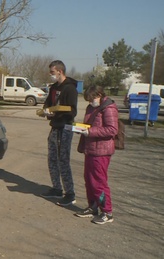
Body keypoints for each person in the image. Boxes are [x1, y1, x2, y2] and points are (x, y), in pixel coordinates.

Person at [75, 85, 118, 224]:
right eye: (88, 100)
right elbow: (90, 124)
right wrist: (80, 128)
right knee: (89, 179)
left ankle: (107, 212)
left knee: (99, 181)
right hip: (90, 148)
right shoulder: (91, 107)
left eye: (92, 98)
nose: (90, 102)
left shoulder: (109, 108)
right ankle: (93, 206)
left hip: (102, 151)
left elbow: (112, 130)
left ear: (99, 94)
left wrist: (91, 132)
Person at [40, 60, 78, 206]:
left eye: (52, 72)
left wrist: (58, 111)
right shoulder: (53, 88)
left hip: (65, 128)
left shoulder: (70, 88)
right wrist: (46, 111)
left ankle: (70, 193)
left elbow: (72, 111)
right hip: (54, 127)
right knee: (52, 159)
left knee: (63, 161)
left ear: (60, 71)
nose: (51, 75)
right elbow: (48, 103)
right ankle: (56, 188)